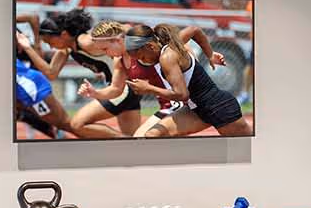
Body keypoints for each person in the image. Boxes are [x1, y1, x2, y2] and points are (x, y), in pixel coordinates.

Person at [117, 24, 254, 138]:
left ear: (150, 47)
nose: (142, 61)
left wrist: (148, 89)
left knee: (248, 148)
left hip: (218, 107)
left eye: (141, 57)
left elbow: (182, 95)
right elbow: (194, 30)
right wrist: (210, 54)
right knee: (154, 134)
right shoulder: (170, 44)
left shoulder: (167, 58)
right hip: (196, 110)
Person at [18, 9, 138, 139]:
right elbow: (50, 74)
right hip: (123, 88)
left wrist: (138, 43)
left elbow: (126, 28)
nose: (51, 47)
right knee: (136, 138)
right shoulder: (67, 49)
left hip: (123, 88)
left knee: (77, 124)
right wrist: (28, 48)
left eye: (50, 42)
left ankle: (126, 141)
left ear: (63, 34)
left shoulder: (85, 41)